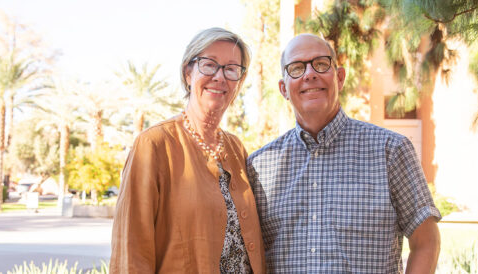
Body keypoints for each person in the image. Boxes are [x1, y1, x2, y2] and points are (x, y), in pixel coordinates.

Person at [247, 34, 441, 273]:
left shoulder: (390, 151)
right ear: (283, 89)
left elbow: (426, 243)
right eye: (296, 68)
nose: (309, 74)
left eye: (320, 64)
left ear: (339, 78)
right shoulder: (259, 166)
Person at [110, 28, 265, 273]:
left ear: (239, 82)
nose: (220, 76)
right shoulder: (154, 145)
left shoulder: (237, 149)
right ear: (188, 73)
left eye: (231, 69)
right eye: (209, 65)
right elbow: (131, 252)